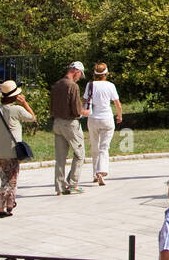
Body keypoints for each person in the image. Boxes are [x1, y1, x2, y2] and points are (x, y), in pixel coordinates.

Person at [0, 80, 37, 218]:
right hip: (11, 151)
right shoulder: (17, 109)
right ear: (14, 96)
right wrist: (25, 103)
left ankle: (10, 205)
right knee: (10, 180)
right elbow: (33, 117)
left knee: (5, 178)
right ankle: (1, 208)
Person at [50, 61, 89, 194]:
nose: (79, 77)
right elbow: (77, 110)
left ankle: (60, 187)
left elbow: (51, 106)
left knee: (60, 157)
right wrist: (85, 112)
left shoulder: (57, 85)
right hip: (70, 124)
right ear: (76, 71)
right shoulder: (73, 86)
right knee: (80, 154)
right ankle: (73, 183)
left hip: (57, 123)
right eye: (80, 74)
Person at [84, 62, 123, 186]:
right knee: (104, 147)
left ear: (94, 73)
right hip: (107, 118)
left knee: (94, 146)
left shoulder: (89, 85)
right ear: (106, 73)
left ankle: (96, 173)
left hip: (93, 118)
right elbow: (118, 104)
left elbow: (85, 100)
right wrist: (119, 115)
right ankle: (102, 171)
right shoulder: (110, 86)